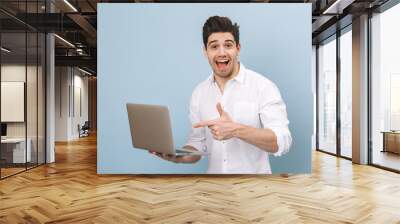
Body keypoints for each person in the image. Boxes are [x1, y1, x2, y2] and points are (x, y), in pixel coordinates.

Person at [150, 15, 292, 174]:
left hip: (254, 188)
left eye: (228, 45)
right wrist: (178, 156)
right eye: (214, 46)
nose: (222, 52)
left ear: (238, 48)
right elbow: (198, 144)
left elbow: (283, 141)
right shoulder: (199, 93)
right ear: (205, 51)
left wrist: (236, 130)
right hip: (214, 188)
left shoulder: (263, 87)